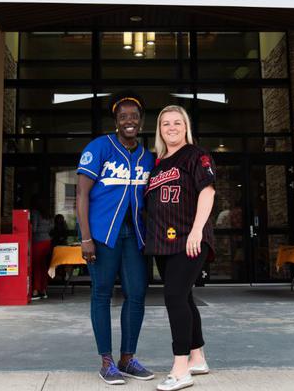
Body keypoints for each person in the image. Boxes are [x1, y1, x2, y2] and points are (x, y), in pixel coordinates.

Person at [75, 92, 156, 385]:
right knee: (101, 294)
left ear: (141, 120)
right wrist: (85, 238)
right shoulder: (99, 147)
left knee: (136, 294)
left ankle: (128, 358)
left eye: (134, 116)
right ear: (116, 121)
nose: (129, 121)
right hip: (102, 235)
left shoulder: (147, 157)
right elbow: (82, 194)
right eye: (123, 116)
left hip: (133, 235)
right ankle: (106, 361)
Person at [145, 105, 216, 391]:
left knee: (174, 297)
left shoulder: (197, 155)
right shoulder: (158, 162)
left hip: (189, 239)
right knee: (183, 297)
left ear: (185, 126)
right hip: (164, 242)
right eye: (165, 124)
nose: (171, 127)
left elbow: (207, 192)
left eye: (177, 122)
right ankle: (198, 358)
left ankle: (180, 368)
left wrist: (197, 230)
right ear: (159, 130)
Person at [30, 197, 54, 300]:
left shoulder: (35, 213)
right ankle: (43, 290)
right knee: (43, 266)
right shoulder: (48, 214)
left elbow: (34, 228)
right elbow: (51, 227)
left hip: (38, 241)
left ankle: (35, 290)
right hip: (47, 241)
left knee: (36, 266)